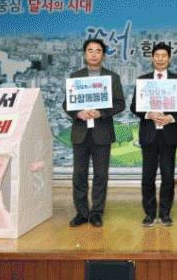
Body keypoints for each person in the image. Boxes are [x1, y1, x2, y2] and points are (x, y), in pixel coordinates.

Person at [63, 38, 125, 227]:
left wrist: (101, 113)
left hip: (102, 132)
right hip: (80, 133)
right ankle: (82, 213)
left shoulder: (112, 77)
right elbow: (66, 104)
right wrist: (77, 113)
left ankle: (97, 213)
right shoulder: (75, 76)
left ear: (103, 55)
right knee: (79, 175)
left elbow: (120, 104)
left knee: (101, 176)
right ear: (84, 54)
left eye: (98, 51)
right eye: (90, 50)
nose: (94, 54)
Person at [130, 43, 177, 227]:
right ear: (152, 58)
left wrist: (170, 117)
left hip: (169, 134)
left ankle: (164, 213)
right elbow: (134, 106)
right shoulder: (143, 80)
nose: (160, 59)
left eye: (164, 55)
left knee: (168, 176)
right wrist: (149, 114)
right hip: (149, 134)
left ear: (169, 59)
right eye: (157, 55)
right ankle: (149, 213)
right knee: (148, 176)